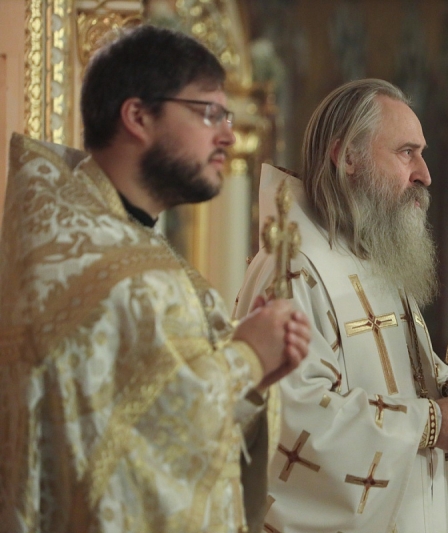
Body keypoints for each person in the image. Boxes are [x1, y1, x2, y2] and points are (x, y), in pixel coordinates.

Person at [0, 25, 310, 533]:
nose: (228, 136)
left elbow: (138, 419)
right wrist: (247, 356)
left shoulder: (103, 242)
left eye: (227, 116)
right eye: (208, 113)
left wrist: (252, 376)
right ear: (138, 116)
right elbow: (130, 459)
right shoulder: (100, 264)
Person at [234, 78, 448, 533]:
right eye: (407, 152)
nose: (424, 174)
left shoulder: (375, 256)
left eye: (422, 154)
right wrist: (432, 424)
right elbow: (290, 418)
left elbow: (413, 388)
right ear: (347, 157)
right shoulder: (293, 269)